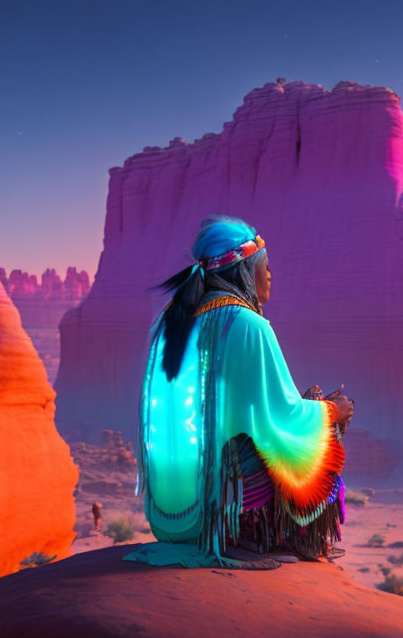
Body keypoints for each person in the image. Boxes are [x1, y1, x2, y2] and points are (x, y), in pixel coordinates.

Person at [123, 215, 353, 569]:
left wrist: (304, 404)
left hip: (172, 519)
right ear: (244, 270)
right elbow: (282, 418)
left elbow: (241, 409)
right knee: (322, 436)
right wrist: (331, 411)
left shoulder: (170, 323)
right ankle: (270, 535)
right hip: (220, 522)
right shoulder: (246, 324)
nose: (270, 274)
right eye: (265, 264)